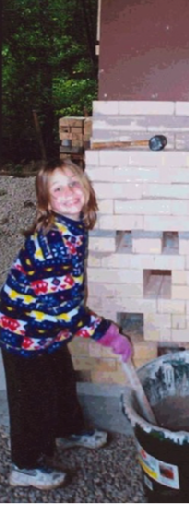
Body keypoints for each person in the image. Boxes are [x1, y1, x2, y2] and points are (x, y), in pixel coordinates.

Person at [0, 160, 132, 490]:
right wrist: (107, 333)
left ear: (85, 187)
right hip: (24, 333)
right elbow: (65, 312)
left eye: (73, 183)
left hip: (48, 328)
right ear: (47, 202)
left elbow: (63, 303)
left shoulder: (72, 227)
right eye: (57, 189)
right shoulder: (54, 243)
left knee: (60, 379)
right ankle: (25, 465)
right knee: (33, 401)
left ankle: (67, 431)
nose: (69, 192)